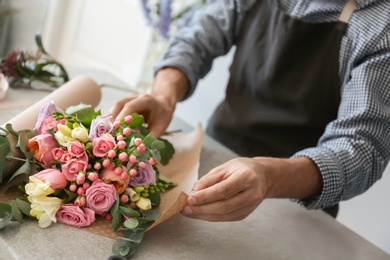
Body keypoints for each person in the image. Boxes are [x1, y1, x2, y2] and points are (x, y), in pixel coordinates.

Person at [111, 0, 390, 222]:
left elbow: (362, 148)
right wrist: (162, 95)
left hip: (297, 207)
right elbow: (196, 38)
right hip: (212, 160)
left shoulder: (381, 26)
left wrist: (268, 175)